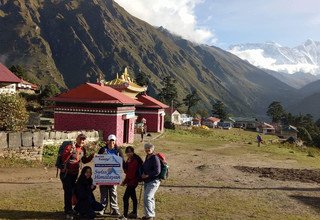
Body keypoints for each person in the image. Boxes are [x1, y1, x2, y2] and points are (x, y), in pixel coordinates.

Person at [60, 134, 94, 219]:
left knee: (73, 191)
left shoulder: (82, 149)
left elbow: (84, 160)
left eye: (83, 140)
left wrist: (91, 156)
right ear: (77, 139)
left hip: (75, 174)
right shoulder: (70, 146)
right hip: (66, 174)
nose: (82, 141)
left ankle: (71, 209)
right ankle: (68, 210)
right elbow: (63, 159)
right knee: (68, 191)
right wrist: (69, 153)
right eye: (80, 139)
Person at [98, 134, 124, 217]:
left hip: (114, 174)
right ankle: (102, 208)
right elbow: (98, 161)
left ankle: (114, 209)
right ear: (107, 141)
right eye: (110, 140)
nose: (111, 142)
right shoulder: (102, 149)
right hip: (103, 174)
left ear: (115, 141)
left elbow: (122, 161)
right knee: (103, 192)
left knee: (113, 192)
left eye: (113, 140)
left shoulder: (118, 151)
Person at [119, 146, 143, 220]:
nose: (128, 153)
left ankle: (125, 216)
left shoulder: (134, 160)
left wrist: (125, 181)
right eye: (127, 152)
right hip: (131, 181)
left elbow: (131, 174)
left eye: (130, 152)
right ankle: (134, 213)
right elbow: (128, 172)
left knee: (125, 197)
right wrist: (125, 181)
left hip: (133, 181)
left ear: (133, 152)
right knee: (133, 197)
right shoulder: (129, 159)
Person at [141, 143, 161, 220]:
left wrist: (147, 175)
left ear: (152, 149)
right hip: (147, 181)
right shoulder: (147, 157)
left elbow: (157, 171)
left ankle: (149, 216)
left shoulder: (154, 158)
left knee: (147, 197)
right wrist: (143, 173)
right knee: (150, 198)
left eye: (149, 148)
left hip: (154, 181)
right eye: (146, 148)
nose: (147, 149)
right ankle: (149, 215)